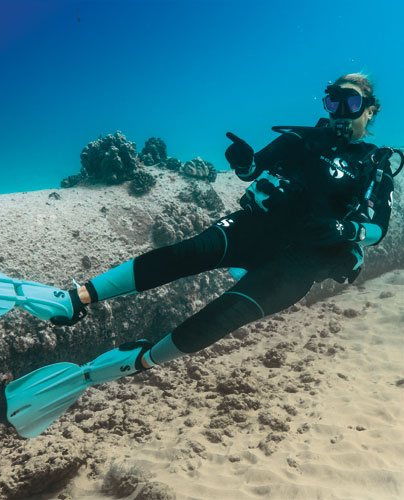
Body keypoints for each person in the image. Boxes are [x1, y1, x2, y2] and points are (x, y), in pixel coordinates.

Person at [52, 73, 394, 375]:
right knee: (185, 254)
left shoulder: (374, 165)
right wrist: (244, 162)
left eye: (351, 102)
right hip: (258, 227)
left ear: (370, 110)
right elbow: (253, 169)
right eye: (334, 101)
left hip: (302, 263)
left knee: (222, 316)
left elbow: (379, 228)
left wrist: (348, 231)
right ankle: (78, 297)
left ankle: (141, 361)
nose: (341, 111)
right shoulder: (300, 139)